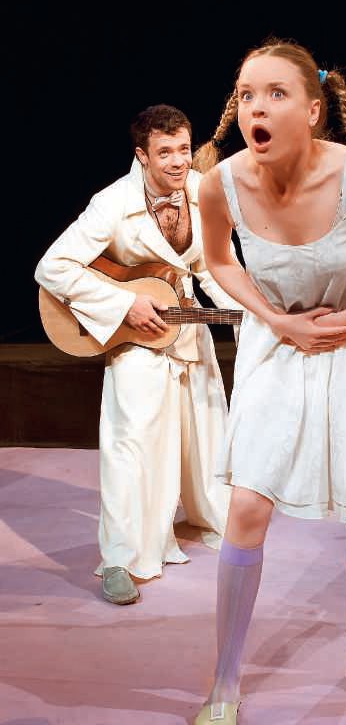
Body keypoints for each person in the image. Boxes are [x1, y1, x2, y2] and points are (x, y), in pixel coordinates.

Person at [190, 39, 346, 725]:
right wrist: (274, 320)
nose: (256, 109)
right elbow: (218, 261)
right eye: (246, 95)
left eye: (275, 94)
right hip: (278, 337)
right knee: (246, 504)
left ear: (313, 109)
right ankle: (224, 682)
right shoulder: (220, 183)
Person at [35, 104, 242, 605]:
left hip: (187, 330)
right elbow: (52, 267)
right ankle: (119, 559)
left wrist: (247, 314)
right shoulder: (112, 203)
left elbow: (216, 267)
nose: (178, 161)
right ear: (141, 155)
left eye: (184, 149)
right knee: (130, 447)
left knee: (207, 434)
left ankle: (214, 519)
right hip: (137, 336)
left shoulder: (203, 192)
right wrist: (124, 303)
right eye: (165, 152)